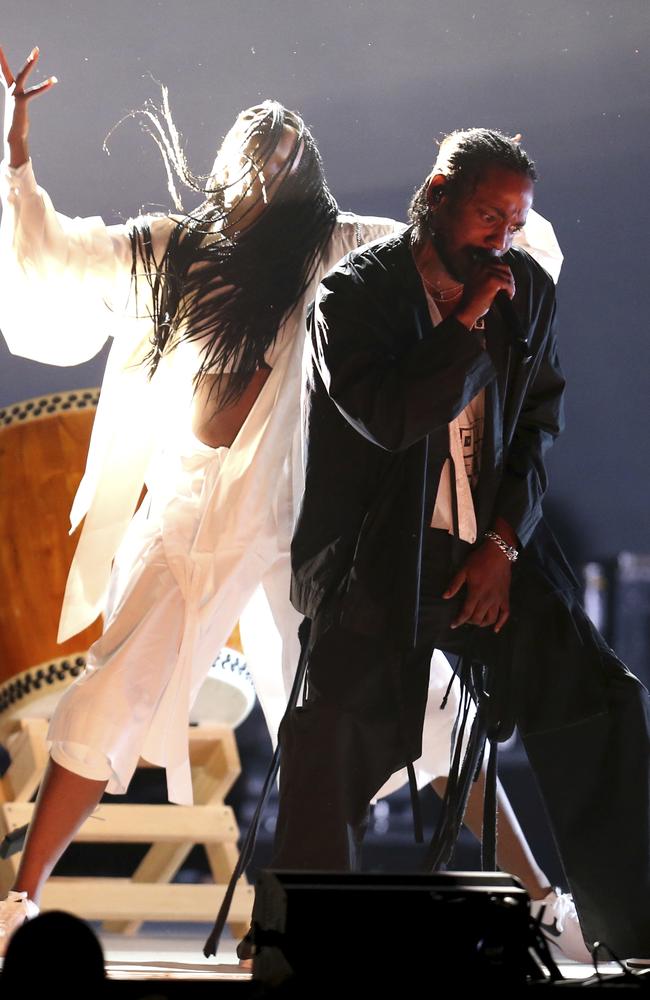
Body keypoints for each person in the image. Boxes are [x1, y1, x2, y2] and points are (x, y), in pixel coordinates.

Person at [0, 46, 581, 961]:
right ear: (230, 167)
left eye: (283, 157)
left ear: (303, 175)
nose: (266, 171)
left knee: (421, 702)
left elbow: (456, 250)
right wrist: (14, 152)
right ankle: (19, 901)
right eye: (254, 156)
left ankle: (544, 894)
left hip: (315, 530)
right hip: (193, 523)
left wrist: (500, 221)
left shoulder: (345, 249)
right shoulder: (169, 250)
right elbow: (55, 259)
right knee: (112, 697)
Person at [273, 127, 650, 960]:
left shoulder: (531, 294)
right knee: (328, 731)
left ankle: (634, 935)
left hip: (491, 559)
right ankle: (305, 946)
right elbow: (394, 419)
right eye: (489, 216)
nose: (503, 240)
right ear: (439, 194)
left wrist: (504, 548)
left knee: (602, 696)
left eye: (515, 223)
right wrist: (467, 324)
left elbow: (537, 431)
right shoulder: (352, 300)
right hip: (380, 564)